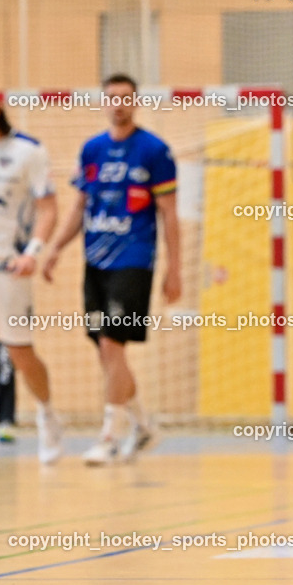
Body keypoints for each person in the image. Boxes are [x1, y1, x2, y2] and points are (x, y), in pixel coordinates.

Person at [43, 73, 180, 465]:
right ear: (104, 102)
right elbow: (78, 207)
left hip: (134, 261)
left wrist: (174, 270)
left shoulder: (155, 151)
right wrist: (55, 249)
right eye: (112, 97)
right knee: (108, 356)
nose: (119, 103)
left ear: (135, 102)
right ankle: (145, 425)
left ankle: (109, 436)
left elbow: (169, 215)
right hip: (95, 263)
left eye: (126, 97)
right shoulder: (92, 150)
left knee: (111, 345)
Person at [0, 80, 62, 463]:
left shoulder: (27, 152)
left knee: (19, 352)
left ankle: (46, 414)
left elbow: (48, 209)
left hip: (5, 267)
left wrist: (34, 253)